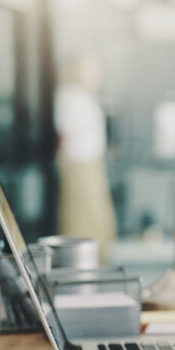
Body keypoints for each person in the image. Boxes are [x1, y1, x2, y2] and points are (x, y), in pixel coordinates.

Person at [54, 51, 118, 262]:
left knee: (96, 211)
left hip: (92, 162)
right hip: (78, 163)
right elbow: (65, 133)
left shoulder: (84, 96)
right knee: (80, 213)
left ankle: (96, 255)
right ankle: (78, 257)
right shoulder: (69, 96)